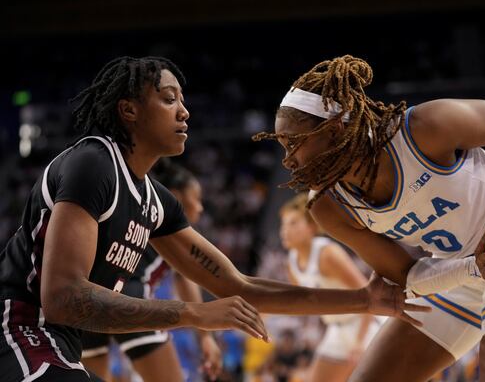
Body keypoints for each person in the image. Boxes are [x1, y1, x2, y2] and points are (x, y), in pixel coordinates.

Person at [0, 56, 424, 382]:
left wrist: (367, 300)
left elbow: (239, 287)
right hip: (17, 330)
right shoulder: (94, 162)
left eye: (183, 100)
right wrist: (192, 314)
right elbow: (61, 297)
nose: (184, 111)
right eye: (168, 99)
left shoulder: (156, 202)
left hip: (58, 346)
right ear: (128, 110)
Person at [253, 54, 485, 381]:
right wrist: (473, 268)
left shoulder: (422, 129)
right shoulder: (328, 207)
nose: (289, 161)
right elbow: (406, 274)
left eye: (293, 143)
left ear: (336, 128)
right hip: (456, 272)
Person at [80, 159, 222, 381]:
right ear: (175, 196)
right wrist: (205, 337)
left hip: (88, 302)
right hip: (131, 300)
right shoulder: (171, 231)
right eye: (197, 199)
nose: (201, 207)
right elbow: (187, 278)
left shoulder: (135, 212)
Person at [279, 193, 382, 382]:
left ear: (311, 227)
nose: (285, 230)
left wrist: (359, 342)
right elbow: (300, 303)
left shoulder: (327, 254)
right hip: (336, 328)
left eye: (293, 223)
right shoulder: (291, 261)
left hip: (365, 324)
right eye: (283, 224)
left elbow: (370, 295)